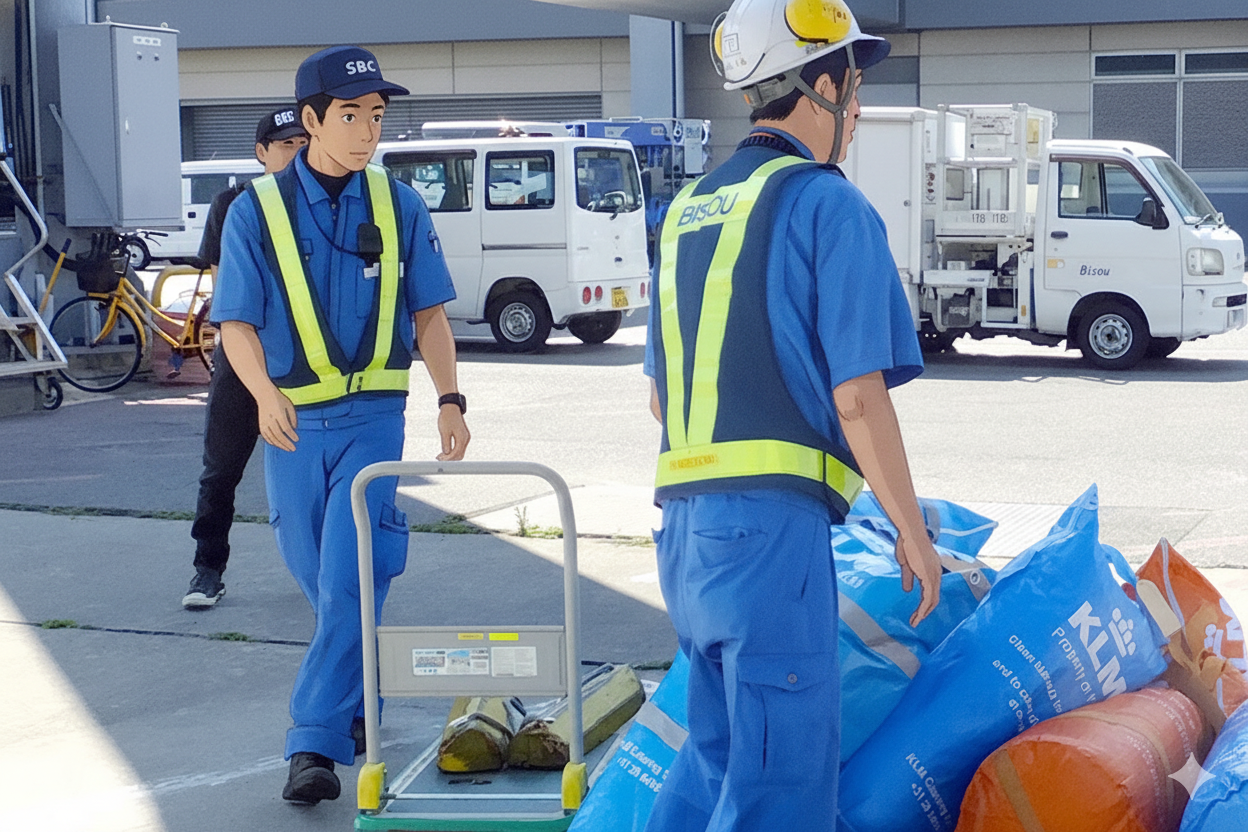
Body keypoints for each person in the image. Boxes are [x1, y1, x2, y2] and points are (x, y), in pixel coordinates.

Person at [642, 1, 944, 829]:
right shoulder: (827, 205)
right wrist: (911, 533)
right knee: (781, 784)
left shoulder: (687, 212)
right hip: (771, 540)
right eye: (855, 83)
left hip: (686, 534)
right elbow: (857, 396)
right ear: (823, 86)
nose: (860, 109)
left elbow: (664, 393)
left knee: (714, 760)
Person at [212, 45, 470, 804]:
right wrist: (261, 394)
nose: (367, 131)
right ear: (311, 119)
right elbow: (235, 323)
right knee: (323, 582)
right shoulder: (254, 209)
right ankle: (362, 702)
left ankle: (311, 746)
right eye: (351, 115)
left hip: (374, 421)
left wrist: (451, 400)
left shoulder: (400, 203)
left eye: (377, 117)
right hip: (292, 421)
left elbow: (430, 315)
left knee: (351, 575)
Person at [182, 107, 309, 610]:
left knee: (313, 476)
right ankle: (206, 570)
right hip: (244, 359)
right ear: (261, 153)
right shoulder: (234, 204)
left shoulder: (329, 205)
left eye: (303, 142)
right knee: (221, 470)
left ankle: (325, 572)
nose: (296, 153)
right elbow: (225, 284)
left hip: (307, 363)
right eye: (285, 145)